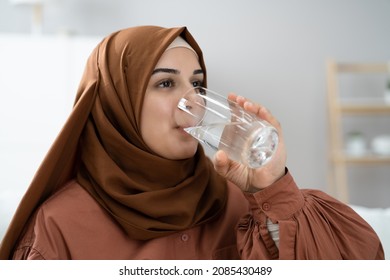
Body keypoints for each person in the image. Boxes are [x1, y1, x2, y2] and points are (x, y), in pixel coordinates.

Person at [0, 26, 384, 260]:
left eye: (197, 84)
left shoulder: (238, 200)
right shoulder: (59, 224)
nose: (196, 102)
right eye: (166, 83)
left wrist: (273, 187)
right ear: (115, 104)